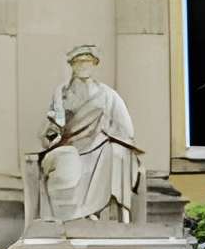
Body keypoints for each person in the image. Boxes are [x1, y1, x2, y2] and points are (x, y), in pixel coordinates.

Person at [36, 45, 142, 225]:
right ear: (73, 66)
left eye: (88, 63)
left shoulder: (108, 95)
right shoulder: (62, 94)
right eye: (79, 63)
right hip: (69, 147)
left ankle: (94, 211)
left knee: (116, 153)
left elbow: (126, 129)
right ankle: (73, 215)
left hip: (99, 146)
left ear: (94, 65)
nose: (83, 67)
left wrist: (110, 136)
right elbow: (48, 134)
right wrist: (53, 128)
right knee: (67, 162)